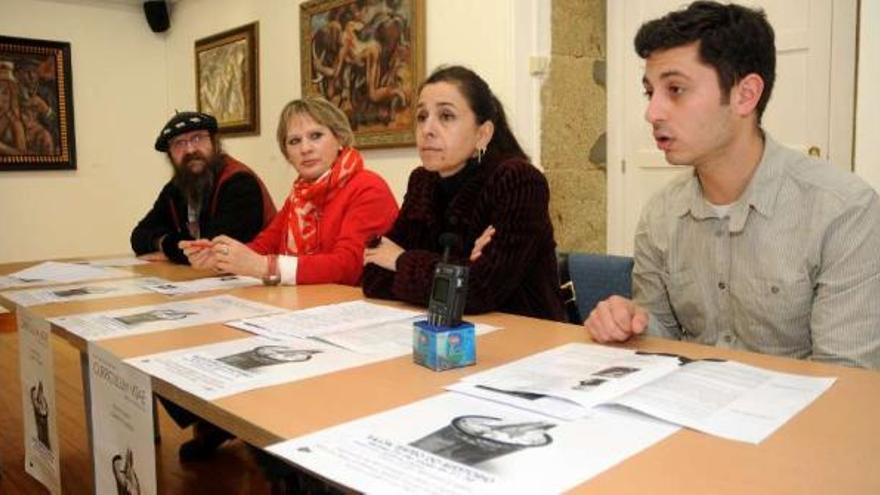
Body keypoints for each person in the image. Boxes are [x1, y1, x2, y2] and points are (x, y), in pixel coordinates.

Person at [583, 1, 880, 369]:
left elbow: (845, 377)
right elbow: (662, 342)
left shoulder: (844, 210)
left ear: (745, 95)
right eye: (649, 92)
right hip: (689, 410)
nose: (652, 112)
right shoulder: (660, 214)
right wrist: (630, 323)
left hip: (798, 420)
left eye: (675, 89)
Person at [362, 65, 564, 321]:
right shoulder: (422, 181)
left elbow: (480, 291)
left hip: (526, 336)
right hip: (446, 330)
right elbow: (373, 276)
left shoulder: (518, 181)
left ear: (483, 134)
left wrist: (401, 261)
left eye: (446, 116)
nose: (428, 129)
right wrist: (461, 267)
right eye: (422, 117)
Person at [180, 96, 398, 286]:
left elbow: (349, 266)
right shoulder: (300, 196)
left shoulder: (368, 187)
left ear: (339, 138)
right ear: (287, 154)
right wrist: (221, 257)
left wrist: (267, 267)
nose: (305, 148)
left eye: (316, 136)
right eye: (294, 141)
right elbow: (263, 246)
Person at [130, 111, 276, 264]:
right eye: (179, 143)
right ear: (170, 155)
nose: (190, 150)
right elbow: (138, 236)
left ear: (214, 142)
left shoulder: (240, 182)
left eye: (197, 138)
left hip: (255, 280)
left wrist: (166, 248)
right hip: (206, 280)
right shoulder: (175, 188)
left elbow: (214, 250)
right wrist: (169, 244)